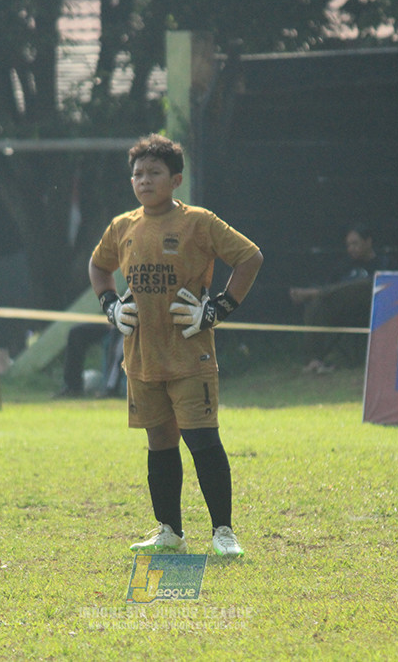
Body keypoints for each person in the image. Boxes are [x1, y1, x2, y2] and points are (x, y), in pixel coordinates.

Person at [88, 133, 263, 557]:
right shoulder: (123, 226)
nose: (143, 180)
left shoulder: (199, 222)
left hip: (189, 355)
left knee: (202, 441)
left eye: (154, 173)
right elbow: (98, 265)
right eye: (137, 174)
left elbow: (250, 257)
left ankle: (224, 532)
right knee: (159, 443)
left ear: (176, 179)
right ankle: (169, 530)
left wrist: (219, 307)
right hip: (142, 357)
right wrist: (110, 305)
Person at [289, 224, 390, 373]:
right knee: (316, 302)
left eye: (355, 243)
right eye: (348, 245)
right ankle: (314, 360)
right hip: (340, 312)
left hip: (368, 310)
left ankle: (315, 292)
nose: (351, 248)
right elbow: (330, 285)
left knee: (366, 283)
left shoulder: (382, 263)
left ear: (368, 242)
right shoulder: (344, 266)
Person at [54, 323, 125, 398]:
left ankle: (111, 389)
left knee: (118, 336)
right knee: (76, 333)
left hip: (126, 326)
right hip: (111, 321)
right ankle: (72, 388)